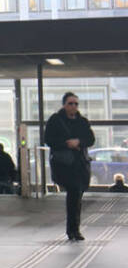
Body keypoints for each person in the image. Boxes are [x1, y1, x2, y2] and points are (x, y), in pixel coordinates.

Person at [44, 92, 94, 241]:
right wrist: (66, 143)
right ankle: (73, 230)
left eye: (76, 104)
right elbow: (48, 139)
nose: (73, 106)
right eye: (70, 103)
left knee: (76, 195)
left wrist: (78, 142)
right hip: (64, 164)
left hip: (80, 164)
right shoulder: (56, 120)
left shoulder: (83, 121)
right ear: (64, 105)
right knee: (74, 193)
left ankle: (73, 229)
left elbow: (90, 139)